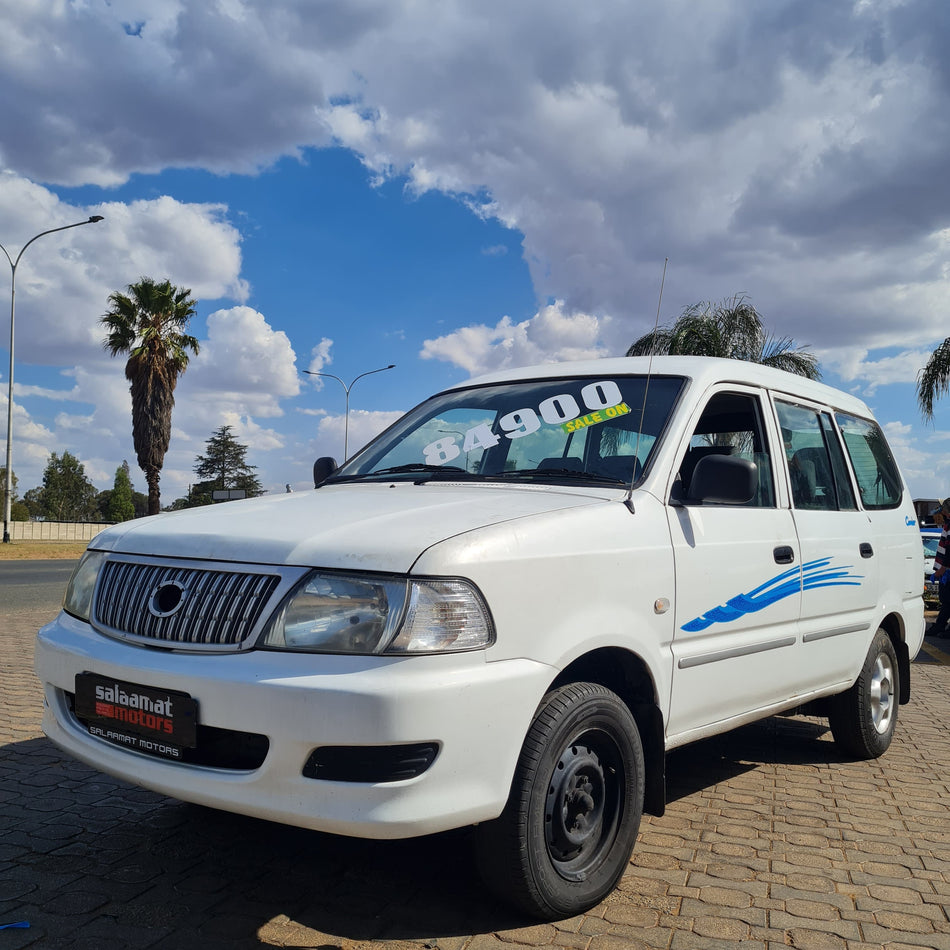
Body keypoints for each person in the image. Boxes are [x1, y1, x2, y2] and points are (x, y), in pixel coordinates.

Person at [929, 498, 950, 637]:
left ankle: (940, 627)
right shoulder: (947, 525)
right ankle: (940, 626)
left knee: (947, 601)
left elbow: (949, 551)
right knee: (946, 601)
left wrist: (943, 569)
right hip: (945, 570)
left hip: (947, 570)